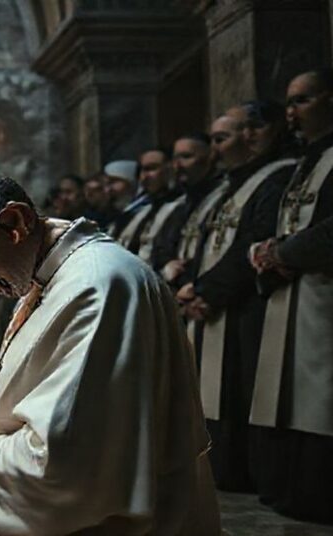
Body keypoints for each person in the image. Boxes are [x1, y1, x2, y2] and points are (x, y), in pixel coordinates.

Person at [0, 169, 219, 535]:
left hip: (98, 518)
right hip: (42, 493)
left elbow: (67, 466)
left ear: (14, 223)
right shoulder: (50, 275)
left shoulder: (97, 287)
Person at [175, 103, 297, 494]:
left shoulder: (274, 177)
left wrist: (208, 291)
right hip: (209, 301)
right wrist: (193, 286)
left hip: (245, 304)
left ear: (254, 135)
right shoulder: (229, 187)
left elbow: (250, 242)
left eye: (220, 139)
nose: (216, 150)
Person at [248, 68, 333, 523]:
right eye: (289, 103)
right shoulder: (306, 162)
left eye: (302, 100)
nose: (291, 113)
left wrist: (282, 252)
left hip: (323, 297)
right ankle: (293, 489)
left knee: (320, 397)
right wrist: (265, 253)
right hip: (294, 293)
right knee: (293, 398)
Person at [150, 131, 223, 289]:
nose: (178, 166)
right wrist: (167, 265)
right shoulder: (181, 205)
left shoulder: (225, 196)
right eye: (175, 159)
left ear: (210, 158)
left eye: (186, 157)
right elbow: (160, 248)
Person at [112, 148, 181, 261]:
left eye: (152, 169)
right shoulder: (141, 212)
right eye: (141, 171)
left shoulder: (180, 206)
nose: (144, 177)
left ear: (170, 169)